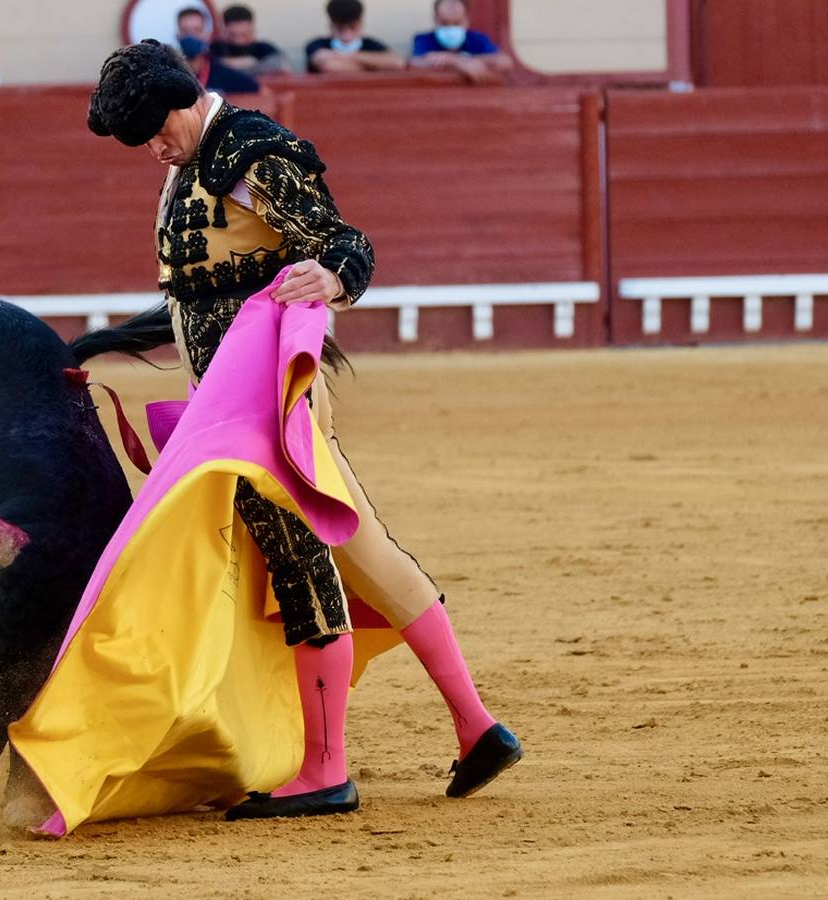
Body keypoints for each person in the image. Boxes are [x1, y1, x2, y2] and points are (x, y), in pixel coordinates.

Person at [84, 40, 521, 819]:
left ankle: (325, 770)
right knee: (366, 554)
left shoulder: (251, 155)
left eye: (156, 130)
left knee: (301, 563)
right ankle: (476, 726)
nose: (152, 148)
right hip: (237, 406)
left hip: (266, 409)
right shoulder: (194, 165)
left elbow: (344, 242)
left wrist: (336, 277)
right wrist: (91, 347)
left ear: (185, 102)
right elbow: (197, 299)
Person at [411, 0, 513, 83]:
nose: (451, 28)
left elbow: (505, 62)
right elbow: (414, 62)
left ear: (466, 20)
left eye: (457, 23)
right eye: (444, 23)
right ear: (435, 20)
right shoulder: (424, 39)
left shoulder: (477, 39)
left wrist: (460, 60)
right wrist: (457, 61)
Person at [306, 0, 405, 74]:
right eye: (340, 28)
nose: (347, 35)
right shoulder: (317, 43)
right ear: (331, 26)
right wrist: (377, 65)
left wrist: (345, 56)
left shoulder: (371, 44)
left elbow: (398, 63)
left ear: (361, 24)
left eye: (352, 27)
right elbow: (329, 66)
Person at [210, 5, 291, 76]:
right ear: (223, 29)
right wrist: (244, 63)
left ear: (252, 28)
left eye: (244, 34)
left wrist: (253, 63)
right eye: (233, 35)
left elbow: (282, 65)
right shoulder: (215, 48)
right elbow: (206, 66)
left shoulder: (264, 48)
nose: (239, 40)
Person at [180, 36, 259, 95]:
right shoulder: (177, 75)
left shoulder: (222, 73)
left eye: (192, 58)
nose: (188, 62)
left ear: (202, 56)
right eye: (184, 58)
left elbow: (255, 87)